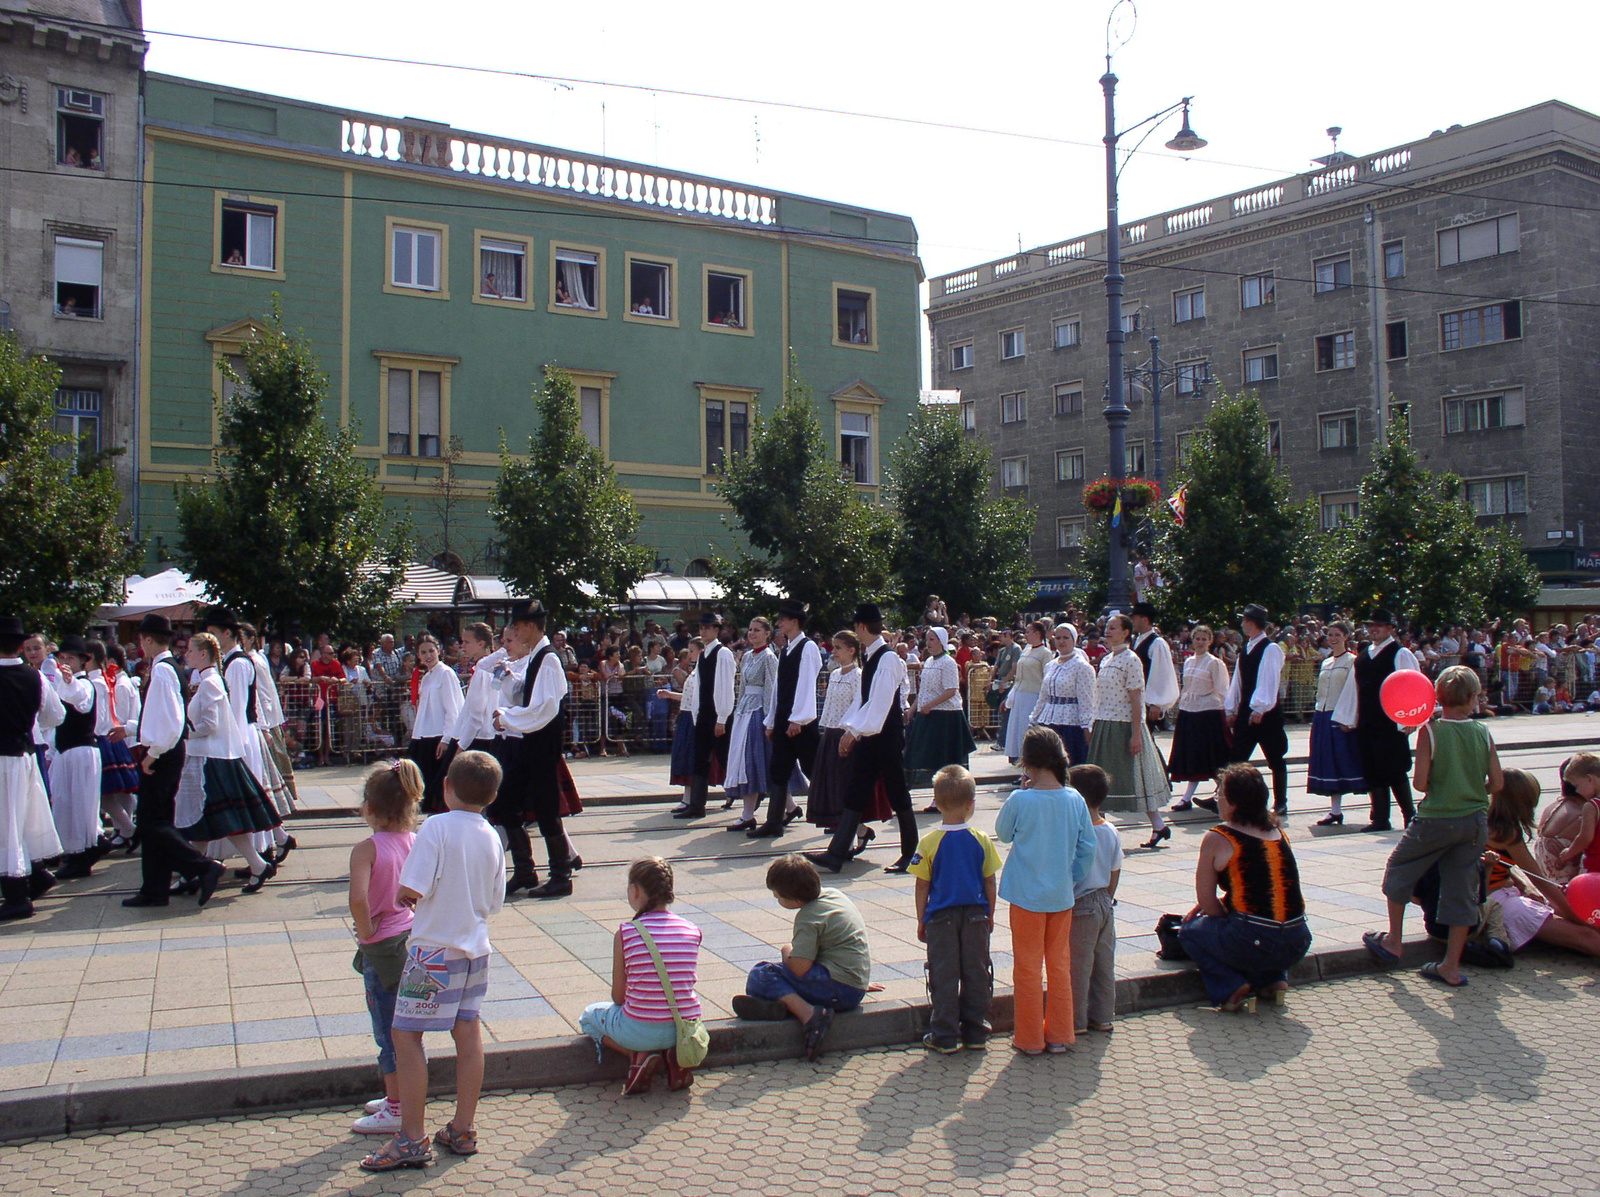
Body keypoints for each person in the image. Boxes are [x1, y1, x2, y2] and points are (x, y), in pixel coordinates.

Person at [360, 750, 504, 1173]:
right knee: (468, 1033)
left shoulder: (436, 827)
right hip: (476, 949)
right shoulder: (492, 833)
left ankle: (410, 1137)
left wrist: (409, 896)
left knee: (405, 1037)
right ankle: (462, 1128)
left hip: (432, 953)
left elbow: (411, 887)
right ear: (492, 796)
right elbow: (495, 900)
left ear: (445, 788)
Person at [1364, 666, 1501, 988]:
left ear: (1437, 696)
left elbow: (1421, 783)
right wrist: (1471, 787)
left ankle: (1394, 941)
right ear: (1472, 698)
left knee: (1399, 869)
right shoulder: (1483, 731)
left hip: (1437, 819)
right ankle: (1450, 967)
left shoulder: (1431, 731)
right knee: (1461, 889)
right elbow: (1497, 782)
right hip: (1474, 822)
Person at [995, 726, 1098, 1054]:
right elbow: (1087, 848)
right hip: (1061, 895)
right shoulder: (1075, 799)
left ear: (1028, 763)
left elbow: (1004, 834)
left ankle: (1029, 1039)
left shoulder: (1020, 799)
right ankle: (1060, 1034)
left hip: (1026, 896)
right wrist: (1071, 878)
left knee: (1027, 967)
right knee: (1059, 965)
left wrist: (1023, 791)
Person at [1177, 763, 1312, 1012]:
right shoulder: (1277, 831)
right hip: (1297, 941)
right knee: (1266, 925)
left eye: (1219, 796)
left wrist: (1223, 917)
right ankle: (1273, 980)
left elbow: (1207, 902)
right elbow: (1267, 885)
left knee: (1189, 932)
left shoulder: (1219, 837)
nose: (1217, 801)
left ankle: (1230, 988)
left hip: (1254, 940)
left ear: (1233, 802)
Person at [807, 604, 921, 874]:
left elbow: (880, 704)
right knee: (856, 789)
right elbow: (864, 698)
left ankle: (910, 854)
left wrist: (854, 731)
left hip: (887, 735)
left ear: (860, 626)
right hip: (872, 735)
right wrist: (851, 729)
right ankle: (836, 854)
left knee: (897, 792)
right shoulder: (872, 656)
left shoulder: (888, 658)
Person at [579, 856, 704, 1095]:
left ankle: (638, 1056)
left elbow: (618, 997)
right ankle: (672, 1057)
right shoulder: (692, 930)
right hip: (684, 1030)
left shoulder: (626, 932)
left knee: (588, 1016)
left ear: (635, 891)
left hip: (639, 1032)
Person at [731, 854, 871, 1062]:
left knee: (762, 974)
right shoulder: (835, 895)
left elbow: (799, 968)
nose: (776, 899)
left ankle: (810, 1014)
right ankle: (783, 1006)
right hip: (854, 985)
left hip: (837, 989)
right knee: (777, 976)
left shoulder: (809, 916)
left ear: (794, 900)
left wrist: (786, 949)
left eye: (777, 896)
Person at [173, 633, 283, 894]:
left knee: (218, 819)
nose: (186, 655)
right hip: (211, 757)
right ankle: (194, 872)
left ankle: (254, 864)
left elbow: (210, 725)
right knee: (210, 822)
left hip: (211, 760)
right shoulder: (209, 680)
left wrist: (184, 731)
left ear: (203, 654)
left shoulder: (210, 682)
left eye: (190, 650)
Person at [349, 759, 423, 1137]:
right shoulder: (414, 842)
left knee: (387, 1030)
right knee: (405, 1025)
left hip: (381, 947)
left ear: (370, 807)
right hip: (409, 942)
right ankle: (399, 1097)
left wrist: (365, 931)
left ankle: (396, 1105)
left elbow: (359, 900)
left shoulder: (367, 849)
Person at [909, 765, 1001, 1052]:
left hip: (940, 917)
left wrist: (921, 918)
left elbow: (922, 885)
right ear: (970, 804)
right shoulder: (982, 840)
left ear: (936, 802)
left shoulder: (928, 842)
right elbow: (990, 882)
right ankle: (976, 1031)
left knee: (944, 975)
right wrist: (991, 914)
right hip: (975, 914)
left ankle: (945, 1034)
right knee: (976, 972)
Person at [492, 600, 575, 899]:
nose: (514, 631)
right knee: (507, 799)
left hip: (542, 743)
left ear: (529, 627)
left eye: (516, 626)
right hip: (532, 741)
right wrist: (508, 686)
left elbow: (545, 708)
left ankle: (561, 875)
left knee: (546, 806)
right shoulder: (537, 657)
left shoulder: (548, 658)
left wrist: (507, 718)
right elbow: (530, 697)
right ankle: (525, 871)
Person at [1483, 768, 1600, 958]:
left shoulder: (1487, 819)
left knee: (1574, 924)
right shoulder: (1506, 831)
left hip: (1499, 897)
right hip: (1502, 904)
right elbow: (1541, 881)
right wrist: (1580, 919)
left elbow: (1507, 866)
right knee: (1586, 935)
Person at [0, 615, 65, 920]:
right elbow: (56, 715)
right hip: (24, 756)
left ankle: (16, 894)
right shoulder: (35, 677)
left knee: (7, 825)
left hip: (3, 759)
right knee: (22, 819)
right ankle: (36, 874)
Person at [1089, 613, 1172, 847]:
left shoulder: (1131, 659)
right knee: (1101, 778)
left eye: (1113, 628)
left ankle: (1156, 824)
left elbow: (1137, 699)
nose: (1108, 631)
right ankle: (1101, 828)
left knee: (1133, 777)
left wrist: (1137, 733)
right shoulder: (1107, 659)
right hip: (1105, 723)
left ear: (1126, 632)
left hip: (1123, 725)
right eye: (1107, 627)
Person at [752, 600, 821, 839]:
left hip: (800, 721)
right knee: (778, 770)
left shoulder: (808, 647)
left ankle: (838, 812)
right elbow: (778, 688)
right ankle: (774, 822)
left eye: (783, 619)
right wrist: (772, 721)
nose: (779, 622)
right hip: (785, 718)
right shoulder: (786, 649)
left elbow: (806, 684)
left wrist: (798, 719)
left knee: (815, 768)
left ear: (795, 621)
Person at [45, 635, 107, 880]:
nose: (66, 662)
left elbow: (80, 701)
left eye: (71, 658)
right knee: (64, 802)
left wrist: (70, 681)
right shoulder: (61, 684)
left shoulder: (86, 685)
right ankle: (83, 849)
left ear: (83, 661)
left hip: (81, 751)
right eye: (62, 658)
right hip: (66, 751)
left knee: (80, 806)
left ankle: (82, 855)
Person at [1354, 609, 1421, 832]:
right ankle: (1380, 818)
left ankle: (1409, 814)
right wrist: (1349, 717)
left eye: (1379, 626)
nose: (1374, 629)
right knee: (1372, 769)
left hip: (1391, 721)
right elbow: (1353, 690)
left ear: (1391, 629)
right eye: (1371, 626)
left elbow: (1413, 685)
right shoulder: (1363, 655)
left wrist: (1411, 718)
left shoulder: (1399, 653)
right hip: (1367, 719)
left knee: (1394, 768)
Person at [1067, 764, 1121, 1035]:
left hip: (1081, 904)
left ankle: (1075, 1022)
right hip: (1104, 902)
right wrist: (1108, 898)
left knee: (1077, 968)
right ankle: (1103, 1017)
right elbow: (1115, 869)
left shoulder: (1077, 832)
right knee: (1103, 965)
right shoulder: (1110, 830)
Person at [1224, 604, 1290, 820]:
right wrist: (1232, 708)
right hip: (1246, 711)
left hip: (1266, 713)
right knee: (1236, 758)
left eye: (1244, 621)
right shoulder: (1247, 649)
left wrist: (1260, 707)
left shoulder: (1270, 649)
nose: (1242, 625)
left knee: (1275, 757)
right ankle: (1226, 797)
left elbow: (1269, 680)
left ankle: (1281, 802)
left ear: (1251, 623)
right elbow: (1238, 681)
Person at [675, 612, 734, 820]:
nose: (704, 631)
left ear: (716, 630)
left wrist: (722, 717)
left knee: (727, 757)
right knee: (700, 759)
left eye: (708, 628)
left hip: (717, 714)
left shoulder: (723, 653)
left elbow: (726, 687)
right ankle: (697, 804)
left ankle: (749, 793)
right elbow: (699, 686)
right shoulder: (705, 654)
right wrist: (696, 713)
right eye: (702, 628)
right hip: (703, 715)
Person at [903, 627, 977, 790]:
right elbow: (923, 690)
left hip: (946, 717)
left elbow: (951, 690)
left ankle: (948, 793)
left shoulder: (948, 662)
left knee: (944, 758)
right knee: (928, 756)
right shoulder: (929, 662)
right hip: (928, 716)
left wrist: (930, 705)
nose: (928, 643)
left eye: (932, 639)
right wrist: (913, 709)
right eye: (927, 639)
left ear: (941, 642)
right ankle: (938, 793)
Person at [1168, 625, 1232, 812]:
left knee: (1212, 757)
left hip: (1209, 713)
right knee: (1193, 756)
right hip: (1189, 712)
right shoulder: (1189, 662)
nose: (1201, 642)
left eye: (1204, 639)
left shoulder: (1214, 663)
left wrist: (1228, 713)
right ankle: (1186, 797)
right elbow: (1187, 687)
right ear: (1193, 640)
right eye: (1198, 638)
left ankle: (1224, 794)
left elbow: (1223, 689)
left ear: (1210, 641)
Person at [1306, 621, 1363, 826]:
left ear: (1346, 636)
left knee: (1345, 760)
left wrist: (1350, 717)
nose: (1333, 638)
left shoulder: (1352, 661)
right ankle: (1335, 810)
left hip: (1341, 714)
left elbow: (1353, 692)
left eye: (1337, 634)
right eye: (1330, 635)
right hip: (1323, 713)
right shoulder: (1326, 662)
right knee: (1328, 762)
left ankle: (1377, 805)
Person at [725, 617, 779, 831]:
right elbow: (742, 686)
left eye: (757, 630)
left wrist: (769, 719)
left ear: (767, 633)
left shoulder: (769, 657)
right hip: (745, 711)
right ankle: (787, 807)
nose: (752, 633)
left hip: (758, 713)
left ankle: (751, 814)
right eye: (750, 629)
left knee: (755, 761)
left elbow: (771, 690)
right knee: (747, 761)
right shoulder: (747, 656)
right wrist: (737, 710)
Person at [806, 631, 861, 835]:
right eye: (834, 647)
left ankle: (852, 829)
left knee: (842, 783)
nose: (834, 651)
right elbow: (829, 705)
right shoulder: (835, 674)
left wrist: (850, 732)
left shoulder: (858, 676)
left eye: (838, 648)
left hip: (845, 735)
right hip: (830, 732)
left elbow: (858, 706)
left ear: (851, 650)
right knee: (829, 781)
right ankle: (839, 825)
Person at [88, 639, 140, 852]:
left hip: (111, 738)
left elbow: (114, 716)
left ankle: (129, 829)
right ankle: (126, 829)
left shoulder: (109, 682)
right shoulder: (109, 681)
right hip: (114, 737)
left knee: (105, 793)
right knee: (118, 792)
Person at [407, 635, 464, 814]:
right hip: (424, 734)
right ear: (418, 655)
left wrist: (447, 739)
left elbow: (453, 709)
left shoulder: (446, 673)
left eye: (431, 651)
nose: (428, 655)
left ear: (439, 650)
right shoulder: (427, 677)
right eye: (423, 652)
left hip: (439, 736)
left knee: (435, 785)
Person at [1030, 623, 1096, 767]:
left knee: (1070, 765)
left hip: (1071, 724)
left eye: (1066, 638)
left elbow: (1087, 700)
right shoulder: (1051, 665)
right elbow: (1043, 697)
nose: (1062, 641)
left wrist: (1087, 727)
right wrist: (1033, 720)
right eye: (1058, 637)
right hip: (1049, 721)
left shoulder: (1082, 667)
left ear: (1074, 640)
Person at [1001, 623, 1051, 765]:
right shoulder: (1026, 650)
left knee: (1027, 730)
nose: (1025, 635)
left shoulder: (1045, 653)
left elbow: (1046, 678)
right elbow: (1018, 674)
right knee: (1017, 731)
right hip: (1020, 695)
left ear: (1037, 633)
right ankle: (1021, 765)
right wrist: (1011, 695)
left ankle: (1031, 766)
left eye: (1028, 632)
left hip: (1033, 697)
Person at [661, 638, 704, 798]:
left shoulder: (703, 670)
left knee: (693, 757)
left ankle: (695, 798)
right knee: (685, 757)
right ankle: (688, 797)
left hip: (694, 717)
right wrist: (669, 695)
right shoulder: (694, 671)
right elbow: (688, 697)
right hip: (686, 715)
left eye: (692, 651)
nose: (689, 654)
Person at [1129, 601, 1180, 734]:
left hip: (1146, 701)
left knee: (1145, 739)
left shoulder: (1157, 643)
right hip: (1133, 700)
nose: (1132, 621)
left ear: (1144, 619)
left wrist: (1156, 703)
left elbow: (1161, 674)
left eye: (1134, 618)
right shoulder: (1135, 641)